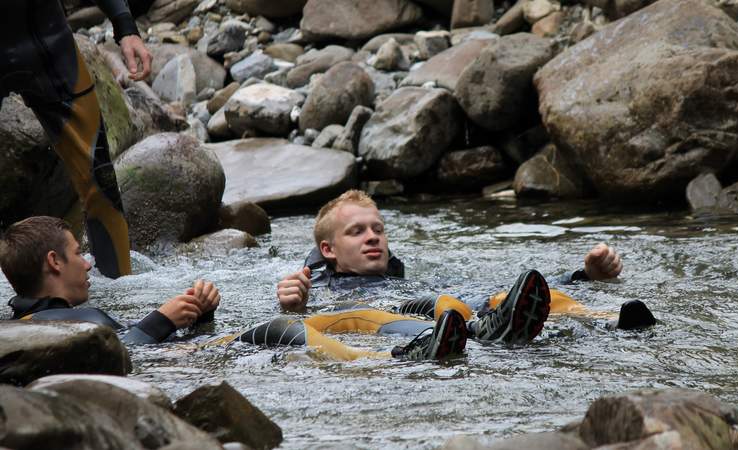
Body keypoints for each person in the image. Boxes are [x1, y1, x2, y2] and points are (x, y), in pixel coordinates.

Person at [270, 190, 655, 343]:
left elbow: (490, 285)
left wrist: (585, 275)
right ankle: (484, 331)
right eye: (356, 232)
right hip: (412, 321)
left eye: (378, 229)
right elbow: (301, 321)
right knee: (442, 304)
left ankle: (607, 321)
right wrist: (294, 307)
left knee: (507, 294)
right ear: (329, 250)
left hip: (449, 310)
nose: (373, 237)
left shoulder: (409, 277)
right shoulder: (317, 288)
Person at [1, 0, 153, 279]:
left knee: (100, 181)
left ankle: (123, 296)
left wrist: (125, 27)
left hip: (49, 45)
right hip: (43, 43)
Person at [0, 216, 218, 344]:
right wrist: (162, 320)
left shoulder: (16, 330)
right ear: (54, 261)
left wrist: (200, 313)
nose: (87, 264)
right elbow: (124, 353)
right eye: (77, 253)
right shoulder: (78, 323)